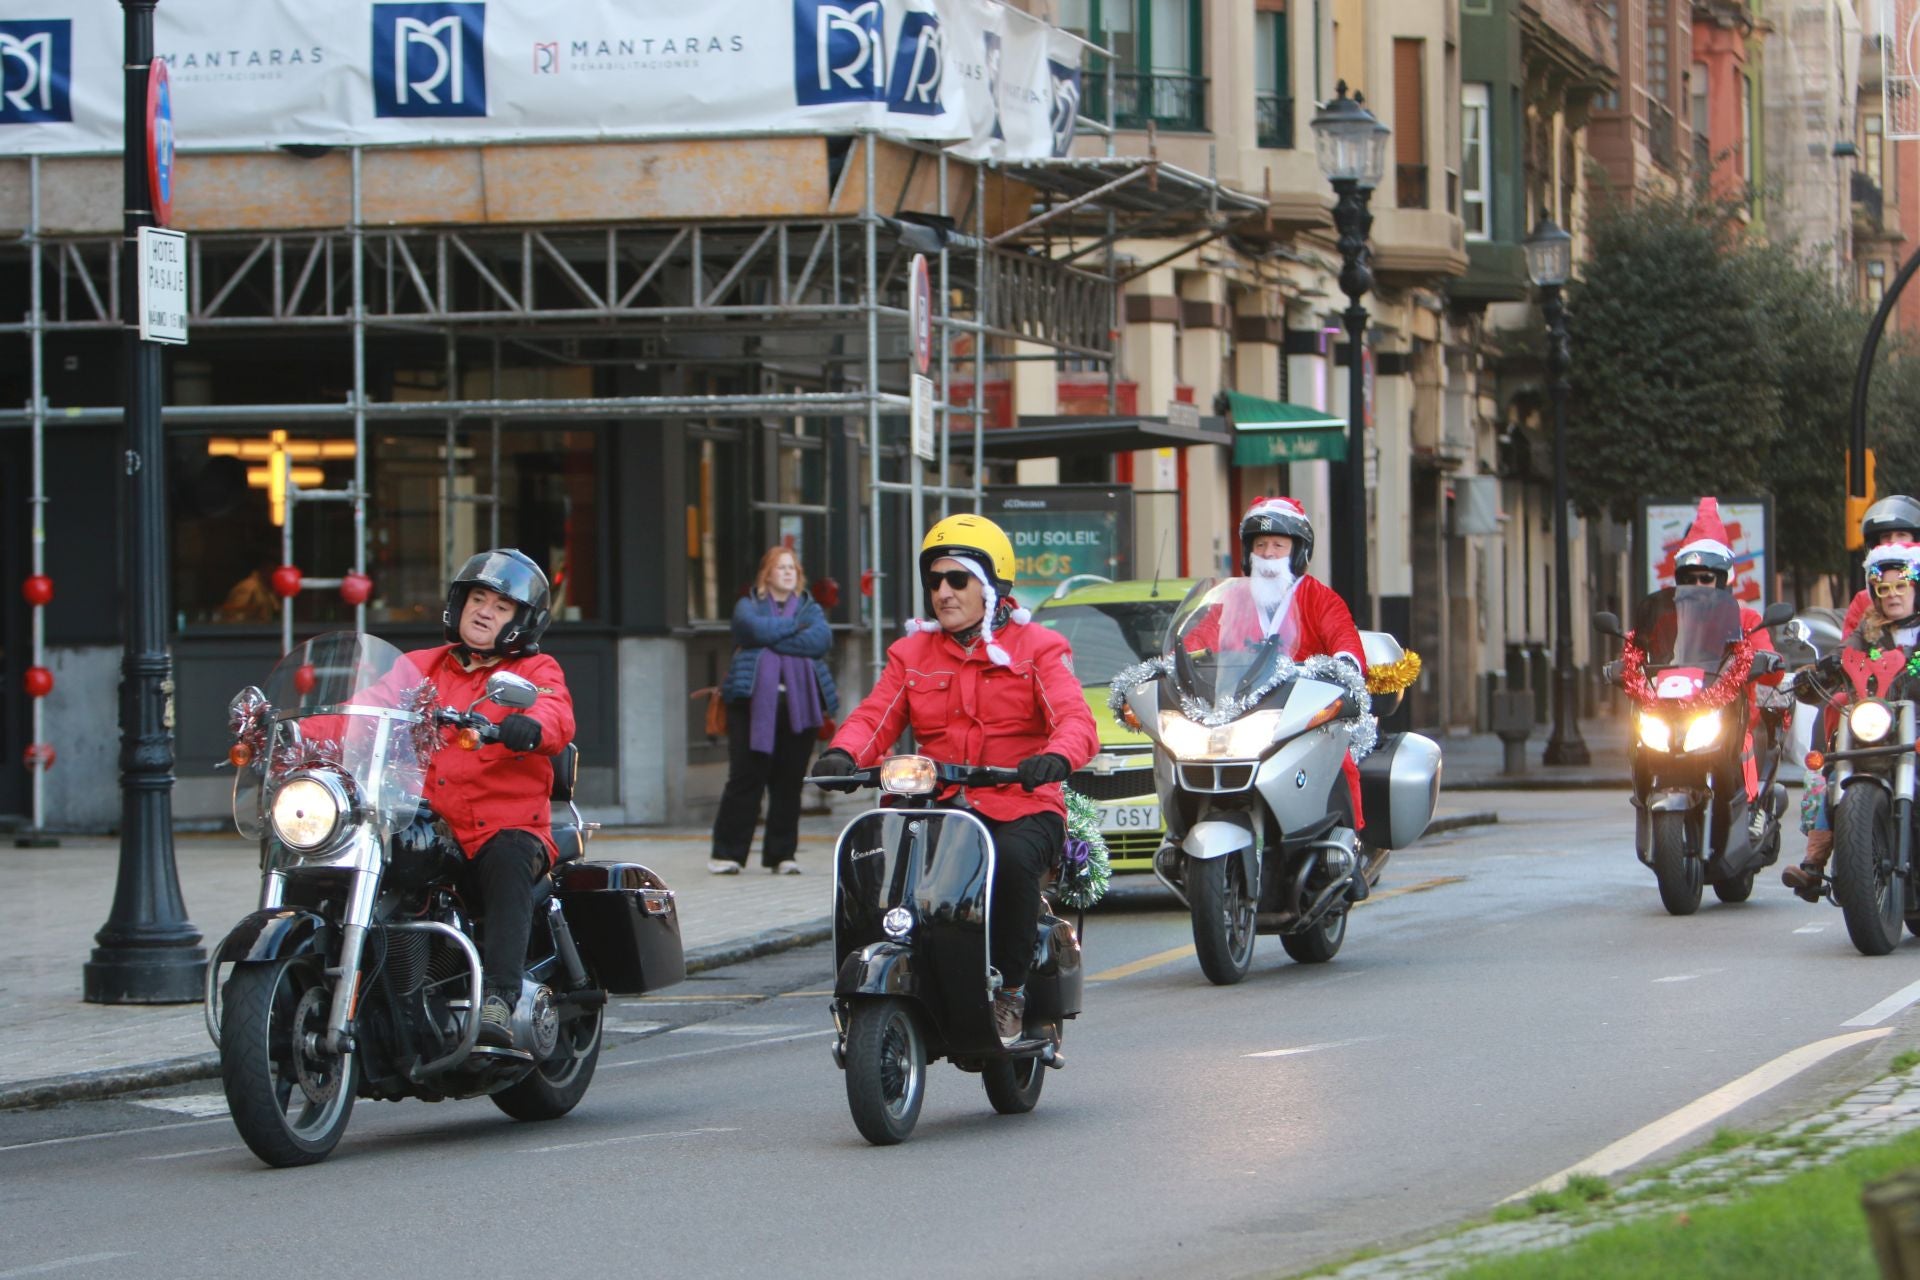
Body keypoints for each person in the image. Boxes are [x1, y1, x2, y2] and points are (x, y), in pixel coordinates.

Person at [812, 514, 1098, 1045]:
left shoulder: (1038, 648)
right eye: (935, 581)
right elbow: (876, 714)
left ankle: (1010, 990)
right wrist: (842, 753)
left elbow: (1075, 719)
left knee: (1010, 864)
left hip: (1019, 803)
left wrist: (1055, 757)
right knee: (871, 863)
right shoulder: (911, 654)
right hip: (932, 807)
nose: (943, 592)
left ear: (991, 586)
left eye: (957, 579)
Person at [400, 549, 575, 1048]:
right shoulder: (420, 666)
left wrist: (529, 725)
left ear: (520, 621)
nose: (484, 612)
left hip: (500, 826)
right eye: (478, 598)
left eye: (500, 607)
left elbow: (555, 712)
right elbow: (361, 708)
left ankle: (499, 996)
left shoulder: (536, 669)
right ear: (459, 603)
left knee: (507, 856)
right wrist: (292, 728)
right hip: (424, 822)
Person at [1172, 497, 1371, 895]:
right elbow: (1200, 637)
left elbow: (1344, 638)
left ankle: (1350, 852)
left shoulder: (1319, 597)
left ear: (1298, 552)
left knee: (1341, 762)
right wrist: (1180, 659)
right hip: (1233, 711)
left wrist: (1346, 663)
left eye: (1278, 546)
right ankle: (1179, 841)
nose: (1267, 554)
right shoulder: (1232, 598)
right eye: (1260, 545)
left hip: (1300, 712)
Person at [1786, 540, 1920, 898]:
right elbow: (1845, 655)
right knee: (1831, 773)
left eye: (1900, 586)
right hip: (1878, 725)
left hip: (1917, 723)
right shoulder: (1869, 632)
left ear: (1915, 588)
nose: (1892, 595)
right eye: (1883, 589)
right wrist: (1818, 672)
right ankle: (1814, 863)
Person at [708, 545, 840, 875]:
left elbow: (820, 641)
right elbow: (751, 630)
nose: (787, 572)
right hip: (750, 707)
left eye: (792, 568)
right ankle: (727, 854)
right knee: (745, 779)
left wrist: (771, 639)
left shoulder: (810, 608)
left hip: (799, 708)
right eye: (780, 567)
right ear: (767, 573)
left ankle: (783, 855)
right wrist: (794, 629)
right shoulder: (747, 605)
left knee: (788, 783)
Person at [1842, 496, 1920, 636]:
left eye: (1901, 535)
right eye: (1886, 536)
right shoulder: (1863, 600)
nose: (1893, 543)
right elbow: (1848, 651)